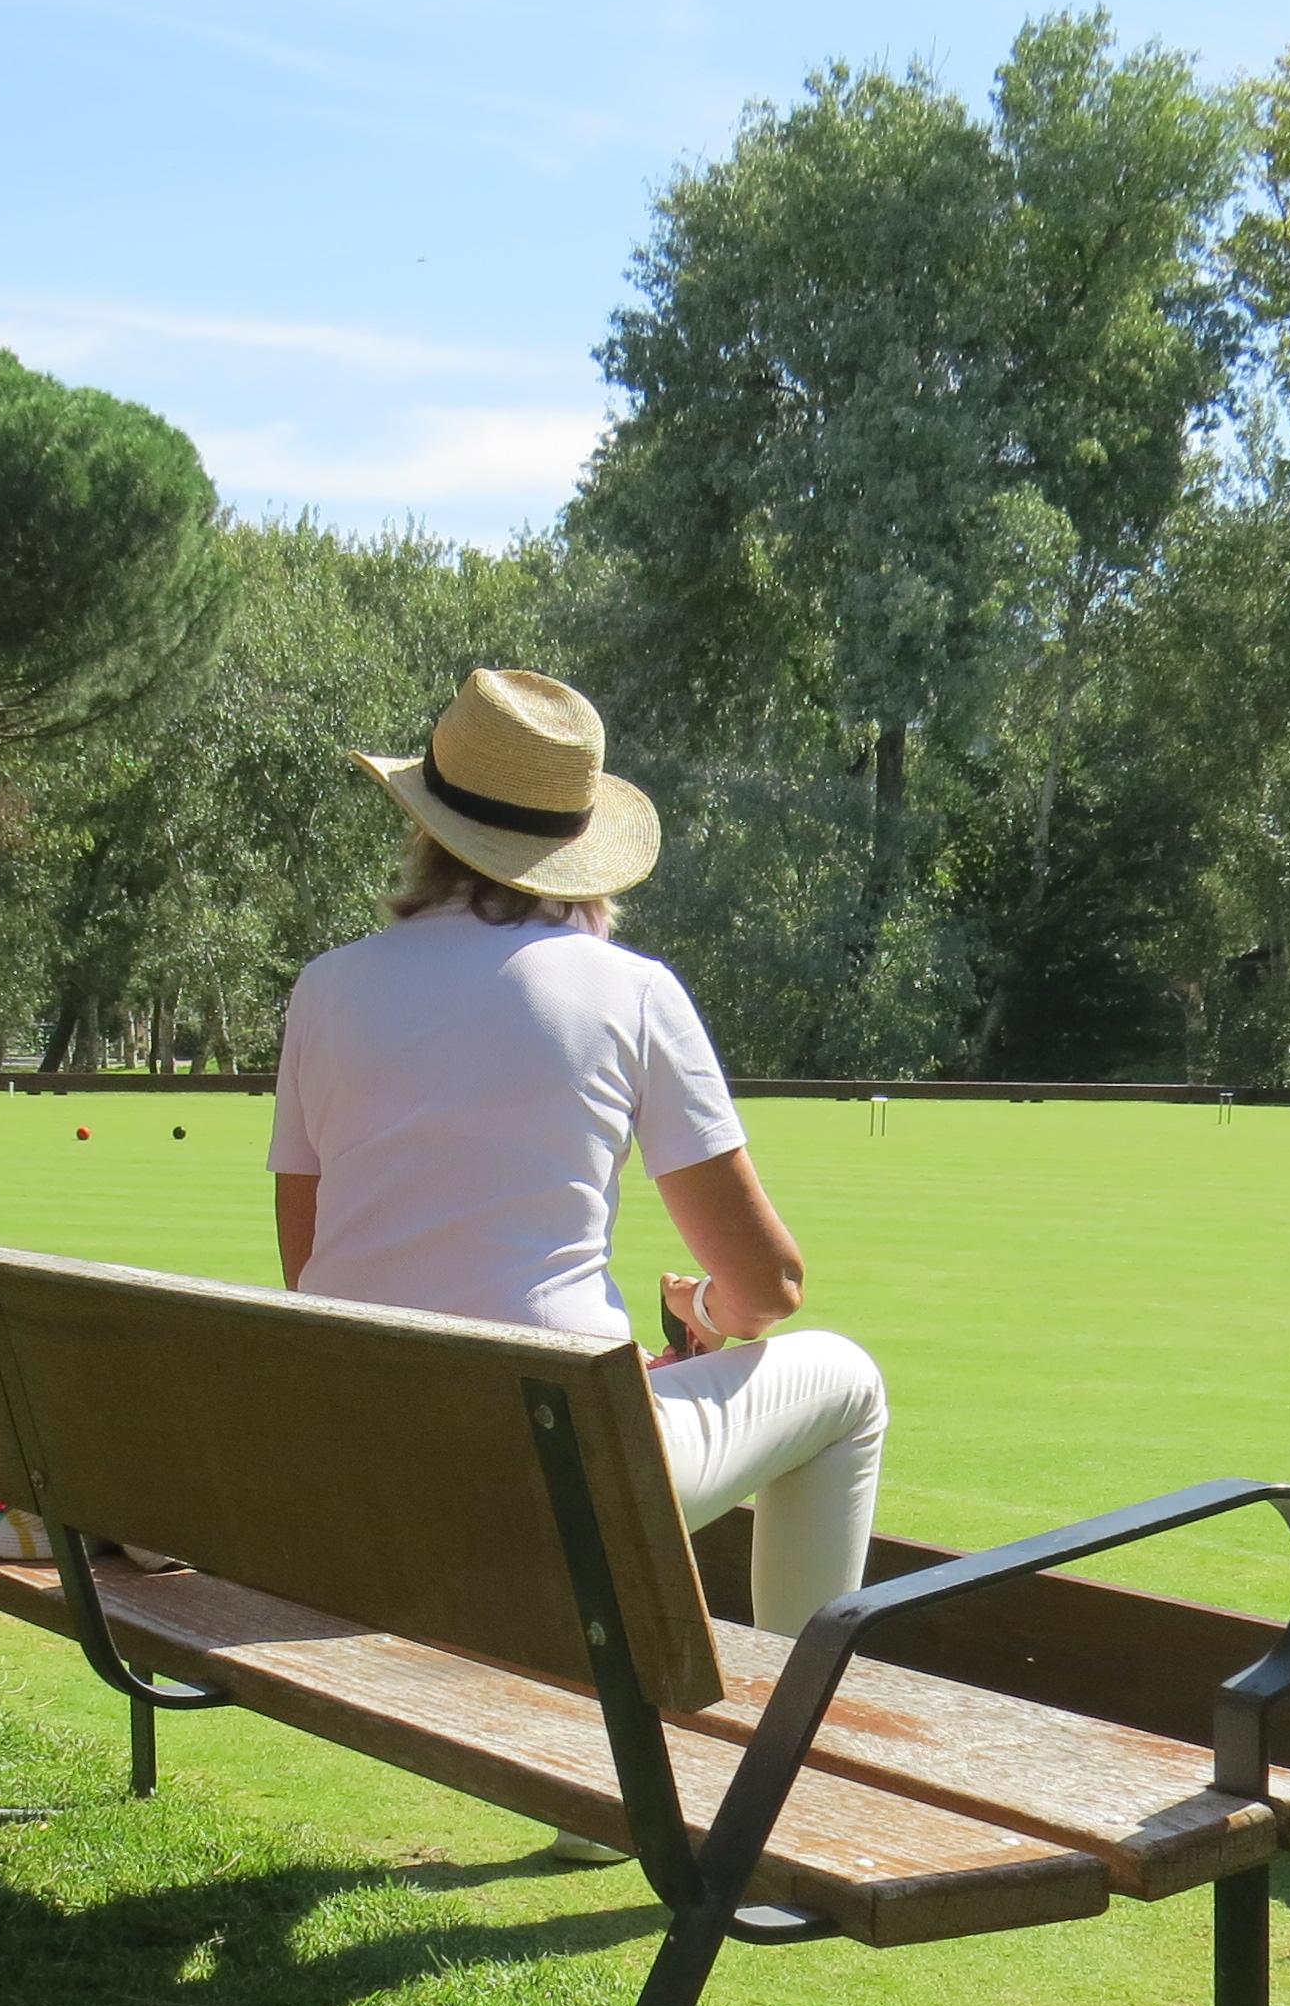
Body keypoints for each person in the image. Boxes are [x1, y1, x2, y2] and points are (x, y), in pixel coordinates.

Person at [271, 668, 889, 1863]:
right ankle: (789, 1764)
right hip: (559, 1475)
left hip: (367, 1471)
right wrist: (703, 1317)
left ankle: (619, 1790)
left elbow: (313, 1274)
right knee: (845, 1382)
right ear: (582, 849)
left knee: (603, 1408)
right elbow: (770, 1290)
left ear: (426, 824)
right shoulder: (631, 991)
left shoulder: (326, 987)